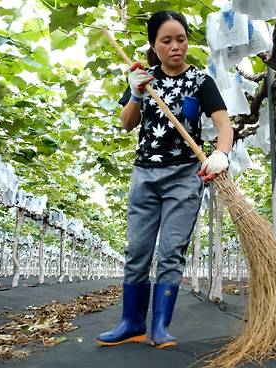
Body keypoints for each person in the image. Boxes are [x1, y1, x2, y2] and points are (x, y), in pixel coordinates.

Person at [96, 10, 233, 348]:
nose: (175, 46)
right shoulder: (144, 77)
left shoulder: (202, 82)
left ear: (188, 42)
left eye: (181, 39)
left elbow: (223, 125)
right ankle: (131, 323)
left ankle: (160, 327)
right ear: (154, 46)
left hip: (185, 177)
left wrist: (222, 154)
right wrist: (137, 94)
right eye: (166, 41)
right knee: (137, 251)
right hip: (145, 174)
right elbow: (127, 124)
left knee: (171, 252)